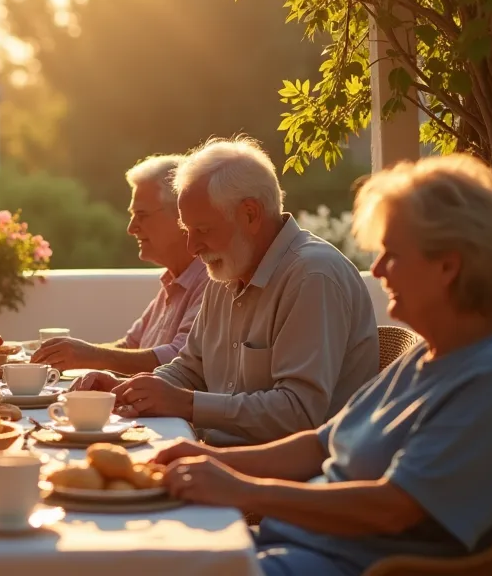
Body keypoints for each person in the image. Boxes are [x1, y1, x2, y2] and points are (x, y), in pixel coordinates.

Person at [154, 154, 492, 576]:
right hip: (290, 544)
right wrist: (208, 461)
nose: (379, 269)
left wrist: (245, 490)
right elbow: (319, 444)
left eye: (393, 254)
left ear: (447, 266)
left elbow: (391, 509)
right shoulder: (432, 354)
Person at [75, 137, 378, 446]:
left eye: (203, 231)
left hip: (291, 477)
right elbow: (190, 368)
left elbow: (298, 413)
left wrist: (187, 404)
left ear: (250, 214)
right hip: (220, 456)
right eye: (187, 231)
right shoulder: (228, 270)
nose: (192, 248)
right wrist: (127, 389)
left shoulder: (313, 276)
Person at [30, 154, 208, 374]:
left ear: (181, 216)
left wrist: (88, 355)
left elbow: (179, 359)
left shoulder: (210, 281)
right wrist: (62, 355)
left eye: (141, 215)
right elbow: (130, 347)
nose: (131, 228)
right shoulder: (173, 280)